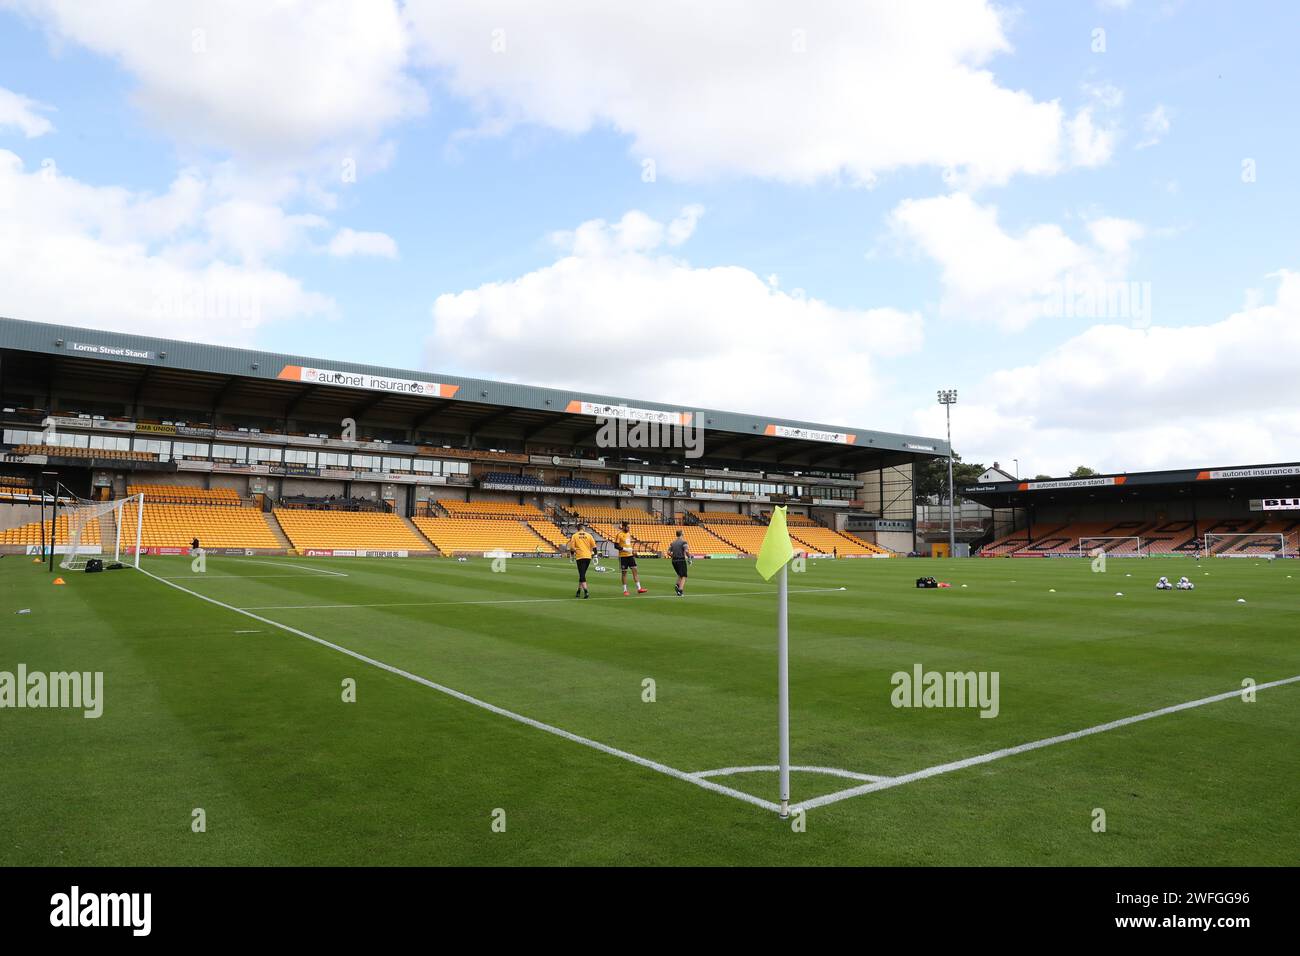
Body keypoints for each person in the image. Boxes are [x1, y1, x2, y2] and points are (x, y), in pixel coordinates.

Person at [613, 521, 647, 595]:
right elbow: (615, 546)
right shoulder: (619, 534)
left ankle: (639, 588)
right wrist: (625, 549)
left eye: (629, 527)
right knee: (624, 573)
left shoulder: (628, 534)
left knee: (635, 571)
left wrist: (631, 550)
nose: (629, 528)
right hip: (623, 557)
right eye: (628, 527)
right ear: (624, 527)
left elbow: (628, 544)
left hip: (630, 556)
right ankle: (625, 590)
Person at [566, 526, 597, 599]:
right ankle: (578, 591)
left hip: (580, 557)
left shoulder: (575, 535)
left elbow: (572, 548)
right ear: (584, 528)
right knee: (582, 574)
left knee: (582, 575)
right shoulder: (589, 535)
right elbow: (594, 547)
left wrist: (572, 556)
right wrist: (595, 556)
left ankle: (586, 591)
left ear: (578, 529)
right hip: (588, 557)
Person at [667, 529, 691, 596]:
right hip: (681, 560)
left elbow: (668, 552)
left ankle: (677, 585)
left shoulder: (673, 543)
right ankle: (680, 590)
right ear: (681, 534)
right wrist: (689, 558)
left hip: (674, 561)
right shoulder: (684, 542)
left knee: (680, 575)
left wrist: (673, 555)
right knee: (684, 576)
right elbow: (686, 551)